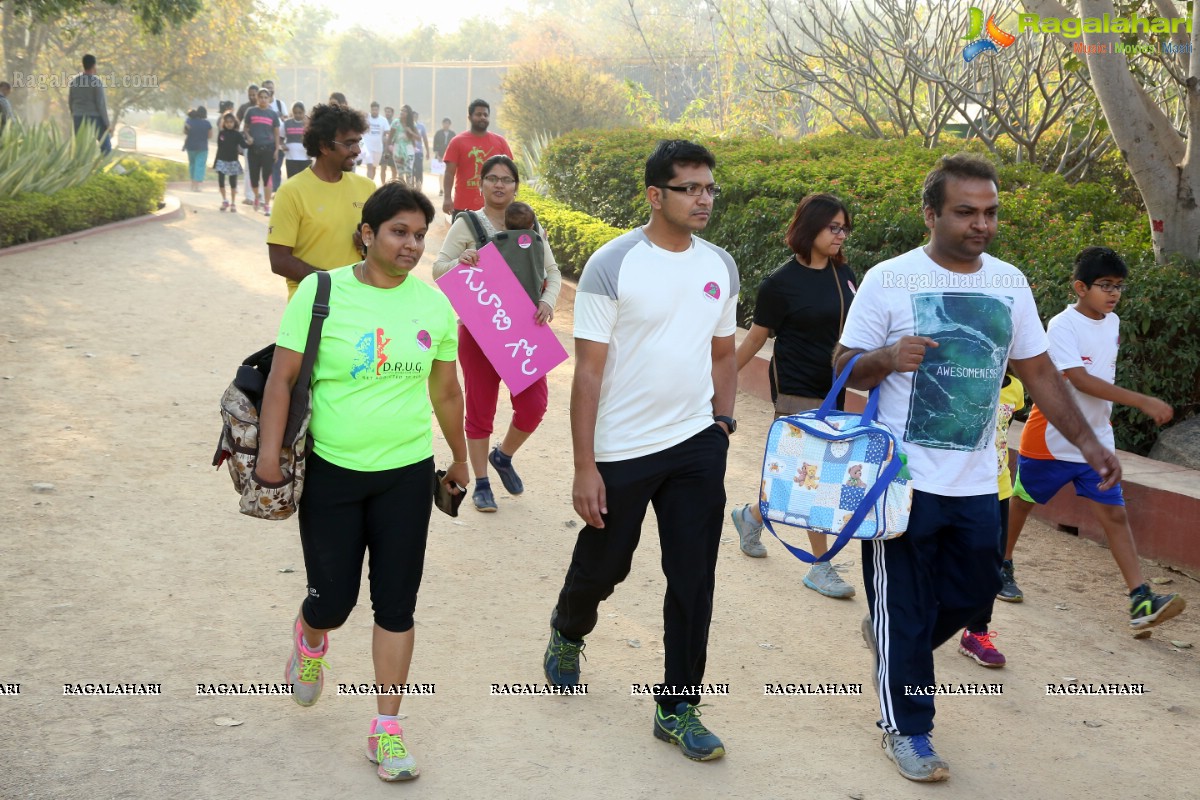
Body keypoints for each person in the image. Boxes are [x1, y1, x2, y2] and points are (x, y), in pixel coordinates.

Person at [833, 154, 1122, 783]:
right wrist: (884, 357)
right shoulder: (890, 279)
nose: (981, 224)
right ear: (932, 213)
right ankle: (907, 730)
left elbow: (1039, 373)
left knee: (973, 591)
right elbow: (843, 365)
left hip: (974, 479)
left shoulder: (1009, 283)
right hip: (901, 483)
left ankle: (891, 639)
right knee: (906, 610)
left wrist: (1089, 441)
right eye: (966, 212)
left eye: (990, 212)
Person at [255, 182, 468, 782]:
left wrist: (458, 458)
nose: (411, 245)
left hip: (404, 474)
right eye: (399, 232)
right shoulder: (321, 293)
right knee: (335, 600)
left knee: (397, 604)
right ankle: (311, 635)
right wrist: (270, 454)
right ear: (368, 234)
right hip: (333, 474)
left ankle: (387, 731)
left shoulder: (434, 307)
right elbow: (282, 379)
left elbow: (446, 390)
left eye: (421, 235)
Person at [541, 140, 738, 762]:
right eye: (690, 188)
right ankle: (568, 628)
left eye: (709, 187)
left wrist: (723, 424)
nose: (703, 198)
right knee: (606, 566)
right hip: (621, 449)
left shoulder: (721, 265)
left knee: (693, 578)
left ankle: (677, 706)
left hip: (695, 446)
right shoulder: (613, 264)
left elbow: (724, 352)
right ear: (656, 195)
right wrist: (584, 465)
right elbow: (589, 373)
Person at [1004, 246, 1184, 631]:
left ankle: (1140, 599)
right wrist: (1143, 401)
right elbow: (1080, 379)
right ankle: (1001, 565)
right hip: (1052, 437)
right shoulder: (1061, 325)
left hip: (1097, 441)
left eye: (1118, 286)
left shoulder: (1113, 322)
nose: (1114, 293)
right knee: (1022, 503)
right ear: (1080, 287)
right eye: (1105, 285)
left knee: (1115, 516)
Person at [729, 193, 858, 600]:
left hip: (834, 390)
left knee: (798, 476)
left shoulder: (845, 274)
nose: (841, 235)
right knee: (817, 480)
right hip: (797, 390)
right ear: (810, 229)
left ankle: (749, 515)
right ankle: (820, 567)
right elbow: (756, 338)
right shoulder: (779, 284)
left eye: (844, 228)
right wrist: (719, 378)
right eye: (833, 227)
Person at [432, 156, 561, 512]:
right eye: (492, 179)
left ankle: (502, 456)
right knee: (479, 407)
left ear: (516, 186)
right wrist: (463, 260)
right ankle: (482, 483)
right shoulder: (468, 224)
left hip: (526, 332)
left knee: (534, 407)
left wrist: (548, 302)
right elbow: (439, 268)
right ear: (481, 184)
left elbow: (551, 271)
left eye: (506, 179)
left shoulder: (531, 225)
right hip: (479, 332)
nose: (499, 185)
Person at [268, 103, 376, 300]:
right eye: (349, 143)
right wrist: (330, 284)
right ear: (324, 146)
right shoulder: (291, 192)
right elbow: (279, 260)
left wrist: (368, 244)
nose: (357, 150)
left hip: (358, 304)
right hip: (311, 307)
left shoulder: (367, 188)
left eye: (358, 142)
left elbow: (379, 247)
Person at [956, 368, 1024, 667]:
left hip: (997, 486)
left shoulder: (1016, 389)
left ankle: (976, 632)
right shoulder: (960, 379)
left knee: (990, 561)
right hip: (955, 483)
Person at [441, 99, 512, 215]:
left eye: (485, 115)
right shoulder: (457, 142)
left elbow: (510, 173)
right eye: (478, 114)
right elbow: (449, 173)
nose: (482, 117)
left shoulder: (500, 142)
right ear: (469, 117)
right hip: (464, 207)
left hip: (494, 207)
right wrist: (447, 198)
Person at [242, 88, 282, 215]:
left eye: (266, 97)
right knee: (254, 178)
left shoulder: (273, 114)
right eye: (261, 97)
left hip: (268, 150)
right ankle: (256, 196)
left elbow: (276, 134)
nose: (263, 99)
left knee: (267, 178)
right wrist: (248, 137)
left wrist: (277, 149)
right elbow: (245, 128)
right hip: (253, 149)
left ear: (269, 98)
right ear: (257, 98)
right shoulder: (251, 112)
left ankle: (267, 204)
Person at [68, 54, 111, 154]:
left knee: (80, 149)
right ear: (94, 65)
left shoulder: (74, 81)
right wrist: (107, 124)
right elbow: (101, 105)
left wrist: (74, 114)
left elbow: (70, 101)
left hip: (78, 117)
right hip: (94, 118)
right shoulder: (96, 82)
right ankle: (102, 167)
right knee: (106, 147)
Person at [213, 112, 243, 212]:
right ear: (224, 123)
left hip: (233, 161)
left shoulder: (237, 134)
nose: (229, 124)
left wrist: (250, 142)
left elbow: (244, 145)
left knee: (232, 183)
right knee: (221, 181)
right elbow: (219, 148)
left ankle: (233, 203)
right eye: (227, 122)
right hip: (221, 161)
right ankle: (225, 200)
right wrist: (215, 163)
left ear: (235, 122)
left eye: (231, 122)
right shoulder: (221, 134)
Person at [236, 84, 260, 205]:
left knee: (260, 171)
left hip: (262, 144)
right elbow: (236, 124)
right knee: (248, 170)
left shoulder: (264, 108)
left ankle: (259, 197)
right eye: (250, 94)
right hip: (248, 142)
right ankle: (249, 197)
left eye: (254, 94)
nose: (252, 97)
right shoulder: (244, 108)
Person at [262, 79, 287, 190]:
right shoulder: (260, 106)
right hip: (264, 143)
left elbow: (286, 121)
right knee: (265, 169)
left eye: (271, 87)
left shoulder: (280, 104)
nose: (269, 90)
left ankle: (275, 192)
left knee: (276, 168)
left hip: (279, 143)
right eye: (266, 88)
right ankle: (264, 193)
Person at [183, 106, 212, 192]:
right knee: (199, 166)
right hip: (202, 148)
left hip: (190, 147)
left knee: (192, 165)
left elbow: (185, 131)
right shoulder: (207, 123)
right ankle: (197, 186)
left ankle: (192, 184)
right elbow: (210, 136)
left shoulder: (189, 121)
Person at [282, 102, 309, 179]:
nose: (297, 115)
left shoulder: (309, 123)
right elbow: (280, 138)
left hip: (305, 158)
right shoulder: (287, 123)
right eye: (295, 113)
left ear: (304, 112)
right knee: (292, 180)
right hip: (291, 158)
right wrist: (282, 145)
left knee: (304, 181)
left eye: (300, 113)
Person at [364, 101, 387, 182]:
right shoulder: (366, 118)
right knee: (369, 166)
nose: (374, 111)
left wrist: (387, 145)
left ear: (378, 110)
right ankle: (368, 185)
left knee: (374, 167)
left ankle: (370, 184)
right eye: (373, 110)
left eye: (376, 110)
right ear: (371, 110)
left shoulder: (383, 120)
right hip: (368, 146)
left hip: (378, 148)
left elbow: (386, 133)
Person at [432, 117, 454, 196]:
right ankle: (441, 189)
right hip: (440, 155)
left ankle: (447, 189)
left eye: (447, 123)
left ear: (450, 124)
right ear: (442, 124)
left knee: (449, 174)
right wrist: (437, 155)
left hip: (450, 156)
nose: (446, 125)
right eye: (445, 123)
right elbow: (435, 145)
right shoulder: (438, 133)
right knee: (441, 173)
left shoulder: (452, 134)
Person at [411, 110, 429, 189]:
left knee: (419, 168)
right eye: (413, 116)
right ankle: (410, 184)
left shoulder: (421, 126)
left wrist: (427, 151)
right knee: (410, 169)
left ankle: (419, 183)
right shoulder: (408, 126)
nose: (414, 118)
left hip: (419, 151)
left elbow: (425, 139)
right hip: (409, 151)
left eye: (416, 116)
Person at [379, 106, 397, 184]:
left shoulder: (395, 123)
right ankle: (383, 185)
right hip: (384, 149)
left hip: (392, 149)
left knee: (393, 168)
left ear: (392, 113)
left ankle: (393, 184)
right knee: (383, 166)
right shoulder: (382, 122)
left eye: (389, 112)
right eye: (386, 112)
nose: (387, 113)